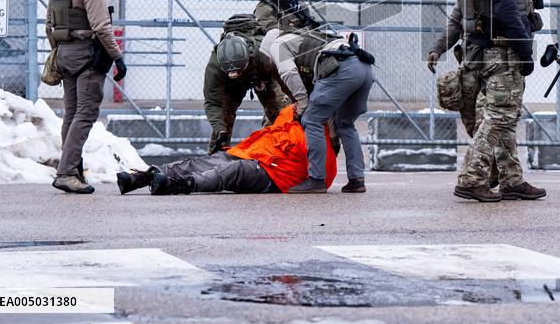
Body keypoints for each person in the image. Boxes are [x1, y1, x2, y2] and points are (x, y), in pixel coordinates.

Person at [453, 0, 545, 202]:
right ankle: (471, 178)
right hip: (503, 53)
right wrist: (525, 50)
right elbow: (508, 12)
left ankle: (511, 179)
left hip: (484, 51)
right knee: (498, 117)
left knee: (505, 118)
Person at [46, 0, 127, 194]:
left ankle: (75, 171)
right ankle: (67, 172)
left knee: (71, 114)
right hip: (87, 55)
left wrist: (59, 51)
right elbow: (102, 26)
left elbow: (50, 24)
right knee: (86, 113)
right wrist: (117, 56)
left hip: (64, 54)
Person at [116, 105, 337, 195]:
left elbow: (323, 178)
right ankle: (141, 178)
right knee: (202, 162)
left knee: (232, 171)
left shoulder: (319, 139)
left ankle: (176, 186)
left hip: (271, 174)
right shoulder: (289, 112)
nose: (300, 105)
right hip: (249, 153)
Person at [287, 32, 376, 194]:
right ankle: (357, 180)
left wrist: (302, 103)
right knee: (345, 123)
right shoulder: (315, 36)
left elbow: (288, 73)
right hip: (365, 68)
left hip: (343, 68)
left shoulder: (277, 46)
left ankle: (316, 179)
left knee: (312, 119)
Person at [203, 16, 294, 154]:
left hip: (264, 76)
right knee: (223, 119)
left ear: (248, 58)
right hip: (233, 85)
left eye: (239, 71)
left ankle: (279, 153)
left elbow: (285, 82)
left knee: (281, 114)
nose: (237, 74)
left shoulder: (265, 54)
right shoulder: (215, 67)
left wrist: (297, 102)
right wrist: (220, 129)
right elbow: (212, 102)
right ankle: (214, 161)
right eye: (232, 72)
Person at [427, 2, 483, 137]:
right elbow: (454, 24)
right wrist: (437, 50)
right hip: (470, 66)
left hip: (497, 70)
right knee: (472, 124)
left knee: (491, 125)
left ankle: (492, 156)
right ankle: (488, 156)